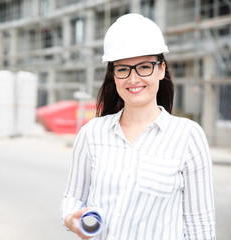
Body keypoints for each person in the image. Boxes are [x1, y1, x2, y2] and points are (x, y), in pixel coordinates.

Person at [61, 13, 216, 240]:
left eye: (144, 67)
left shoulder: (188, 137)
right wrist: (71, 218)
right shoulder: (92, 134)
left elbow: (200, 229)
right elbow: (73, 197)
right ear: (113, 75)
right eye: (123, 69)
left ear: (161, 69)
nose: (133, 79)